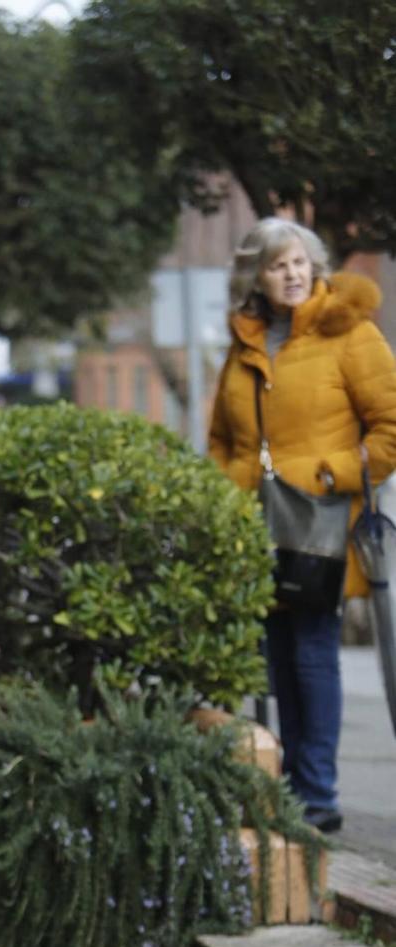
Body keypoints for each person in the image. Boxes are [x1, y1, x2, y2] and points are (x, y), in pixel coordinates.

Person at [208, 220, 396, 833]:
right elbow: (222, 441)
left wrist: (326, 474)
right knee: (274, 657)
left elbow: (389, 430)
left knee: (313, 654)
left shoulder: (351, 335)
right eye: (275, 265)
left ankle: (318, 794)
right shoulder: (244, 345)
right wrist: (220, 503)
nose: (290, 275)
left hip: (318, 522)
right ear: (254, 276)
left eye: (299, 263)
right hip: (253, 528)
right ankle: (289, 787)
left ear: (315, 267)